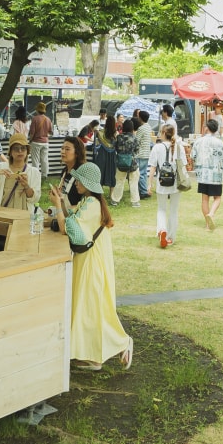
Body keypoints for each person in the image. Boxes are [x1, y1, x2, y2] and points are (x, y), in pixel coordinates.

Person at [50, 162, 133, 371]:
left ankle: (122, 342)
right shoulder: (90, 202)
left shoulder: (92, 204)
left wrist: (58, 206)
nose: (76, 183)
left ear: (87, 183)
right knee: (89, 307)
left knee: (91, 307)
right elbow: (74, 220)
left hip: (91, 262)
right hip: (91, 259)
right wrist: (62, 202)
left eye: (79, 180)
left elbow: (67, 228)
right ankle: (93, 356)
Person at [190, 117, 223, 230]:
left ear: (206, 128)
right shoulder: (220, 143)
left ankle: (208, 225)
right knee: (217, 198)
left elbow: (192, 156)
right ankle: (211, 214)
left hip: (203, 175)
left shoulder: (198, 141)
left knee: (204, 199)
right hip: (216, 174)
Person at [149, 122, 185, 248]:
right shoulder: (179, 147)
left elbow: (153, 167)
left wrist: (149, 184)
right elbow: (183, 166)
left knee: (161, 209)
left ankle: (162, 229)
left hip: (162, 182)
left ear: (164, 133)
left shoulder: (157, 147)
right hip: (176, 183)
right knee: (174, 210)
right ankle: (170, 237)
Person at [0, 138, 41, 209]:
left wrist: (26, 186)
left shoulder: (34, 172)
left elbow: (35, 199)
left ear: (27, 151)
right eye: (16, 149)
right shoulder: (1, 167)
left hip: (23, 211)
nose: (20, 151)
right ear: (10, 152)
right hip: (2, 210)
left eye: (23, 148)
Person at [110, 118, 139, 206]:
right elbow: (137, 150)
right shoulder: (134, 138)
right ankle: (135, 202)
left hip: (121, 163)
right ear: (132, 128)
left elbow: (114, 148)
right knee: (133, 182)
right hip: (132, 163)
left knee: (119, 181)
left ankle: (115, 200)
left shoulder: (119, 137)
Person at [133, 108, 156, 200]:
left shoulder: (141, 128)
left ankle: (143, 192)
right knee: (143, 173)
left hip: (140, 154)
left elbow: (136, 140)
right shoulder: (148, 127)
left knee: (140, 174)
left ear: (140, 118)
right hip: (146, 153)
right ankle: (143, 190)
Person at [27, 101, 53, 182]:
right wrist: (44, 135)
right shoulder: (48, 119)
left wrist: (30, 140)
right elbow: (50, 132)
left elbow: (32, 133)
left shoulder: (35, 119)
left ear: (37, 110)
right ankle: (45, 175)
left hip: (36, 142)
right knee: (44, 160)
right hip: (45, 142)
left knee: (35, 160)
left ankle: (36, 176)